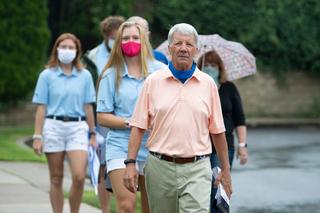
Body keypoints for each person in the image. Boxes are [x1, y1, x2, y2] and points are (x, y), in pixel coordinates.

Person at [123, 23, 232, 213]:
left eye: (189, 44)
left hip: (197, 168)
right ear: (169, 48)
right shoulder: (153, 82)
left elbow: (218, 131)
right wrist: (130, 163)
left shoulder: (208, 85)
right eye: (178, 43)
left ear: (196, 50)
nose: (183, 48)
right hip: (159, 167)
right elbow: (138, 126)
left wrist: (226, 170)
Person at [96, 21, 165, 213]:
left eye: (135, 37)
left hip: (153, 147)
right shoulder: (110, 75)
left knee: (150, 208)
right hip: (120, 146)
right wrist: (132, 122)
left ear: (144, 40)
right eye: (125, 38)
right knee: (126, 206)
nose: (130, 41)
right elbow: (102, 117)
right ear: (119, 42)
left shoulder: (160, 71)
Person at [32, 33, 96, 213]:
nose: (67, 50)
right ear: (57, 49)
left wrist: (92, 134)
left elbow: (88, 107)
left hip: (77, 128)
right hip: (53, 128)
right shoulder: (47, 75)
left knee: (78, 175)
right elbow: (41, 108)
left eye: (71, 47)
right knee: (56, 178)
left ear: (77, 51)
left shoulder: (85, 76)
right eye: (63, 47)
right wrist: (37, 136)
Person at [197, 50, 248, 212]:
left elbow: (239, 118)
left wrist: (242, 145)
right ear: (200, 66)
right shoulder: (195, 86)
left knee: (219, 190)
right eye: (206, 65)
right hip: (199, 147)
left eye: (214, 65)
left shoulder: (229, 88)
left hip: (223, 147)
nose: (210, 68)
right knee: (201, 192)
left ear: (220, 68)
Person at [84, 15, 125, 213]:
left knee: (122, 167)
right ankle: (105, 210)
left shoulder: (129, 54)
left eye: (118, 36)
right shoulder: (92, 57)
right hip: (102, 115)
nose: (114, 39)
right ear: (106, 35)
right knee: (102, 167)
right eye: (111, 36)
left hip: (123, 114)